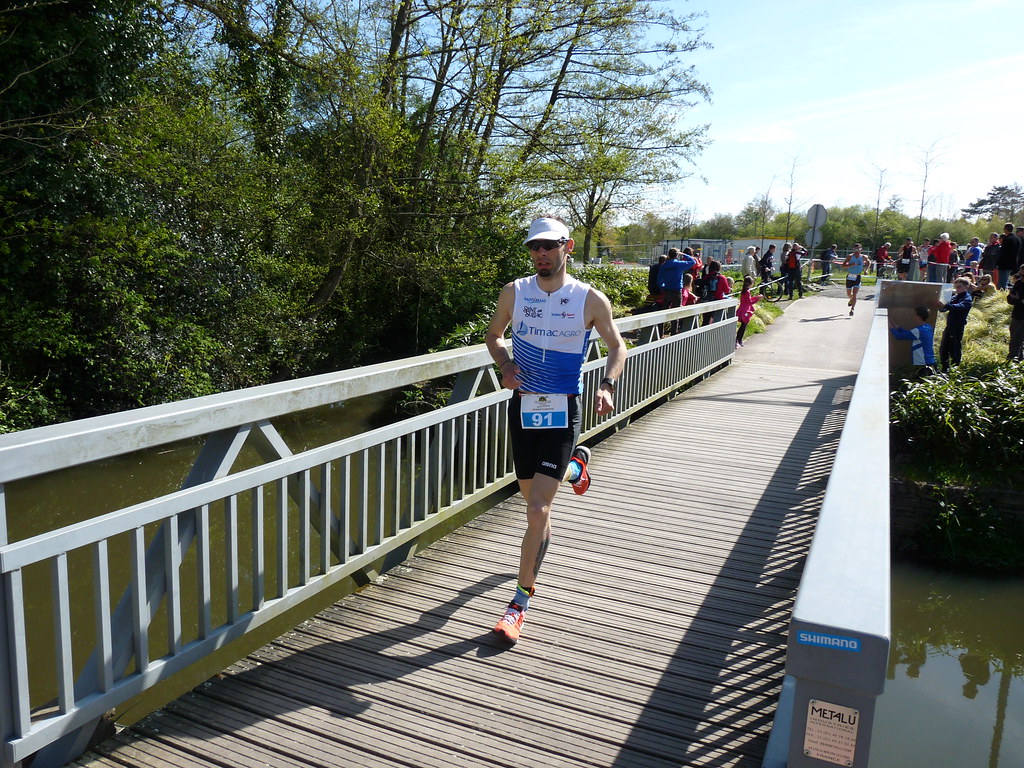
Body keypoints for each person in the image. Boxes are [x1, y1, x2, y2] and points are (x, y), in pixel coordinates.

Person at [485, 217, 626, 644]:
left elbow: (618, 346)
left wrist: (606, 384)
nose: (540, 254)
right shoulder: (516, 291)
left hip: (564, 409)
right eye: (534, 247)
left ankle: (518, 603)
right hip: (524, 409)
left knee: (535, 511)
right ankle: (574, 468)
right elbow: (493, 335)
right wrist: (505, 364)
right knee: (535, 504)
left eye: (548, 246)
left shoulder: (588, 299)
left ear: (566, 246)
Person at [936, 276, 973, 371]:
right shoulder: (955, 297)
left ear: (966, 287)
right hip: (950, 326)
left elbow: (959, 306)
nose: (957, 289)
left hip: (957, 327)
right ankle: (944, 368)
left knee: (954, 348)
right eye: (956, 287)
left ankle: (955, 368)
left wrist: (946, 305)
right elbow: (946, 307)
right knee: (944, 347)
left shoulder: (967, 298)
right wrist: (942, 306)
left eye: (959, 287)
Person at [658, 247, 697, 335]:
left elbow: (659, 279)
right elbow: (693, 262)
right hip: (676, 291)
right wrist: (684, 254)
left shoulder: (664, 265)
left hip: (667, 290)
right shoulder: (679, 264)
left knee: (663, 312)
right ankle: (673, 333)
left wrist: (662, 286)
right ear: (677, 255)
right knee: (676, 313)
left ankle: (660, 333)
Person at [889, 306, 936, 377]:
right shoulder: (928, 328)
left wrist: (890, 327)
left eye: (915, 315)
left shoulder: (918, 330)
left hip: (923, 364)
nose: (914, 317)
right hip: (930, 362)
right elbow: (907, 334)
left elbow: (899, 336)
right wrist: (895, 325)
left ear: (919, 316)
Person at [735, 275, 761, 348]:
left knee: (743, 326)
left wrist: (755, 297)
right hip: (745, 310)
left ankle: (738, 340)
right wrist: (757, 299)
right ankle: (739, 340)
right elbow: (749, 302)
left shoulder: (744, 291)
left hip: (742, 309)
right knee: (743, 326)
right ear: (750, 283)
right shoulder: (747, 292)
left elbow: (747, 300)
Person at [843, 243, 866, 316]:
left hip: (857, 277)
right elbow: (843, 265)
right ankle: (851, 299)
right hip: (850, 276)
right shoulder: (850, 256)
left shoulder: (863, 257)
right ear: (853, 249)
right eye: (855, 249)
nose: (856, 251)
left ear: (861, 249)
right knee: (849, 294)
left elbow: (869, 262)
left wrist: (866, 269)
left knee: (855, 294)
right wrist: (850, 265)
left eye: (858, 249)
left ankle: (852, 309)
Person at [1007, 267, 1024, 360]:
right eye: (1020, 275)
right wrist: (1020, 301)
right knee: (1014, 336)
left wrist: (1018, 299)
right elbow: (1010, 298)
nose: (1021, 277)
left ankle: (1011, 359)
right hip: (1016, 314)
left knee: (1016, 339)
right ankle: (1020, 359)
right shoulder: (1018, 283)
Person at [996, 223, 1021, 289]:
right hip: (1012, 263)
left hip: (1004, 264)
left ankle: (1002, 296)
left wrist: (998, 262)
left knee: (1002, 283)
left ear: (1005, 229)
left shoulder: (1007, 239)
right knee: (1005, 281)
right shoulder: (1017, 239)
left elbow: (1003, 252)